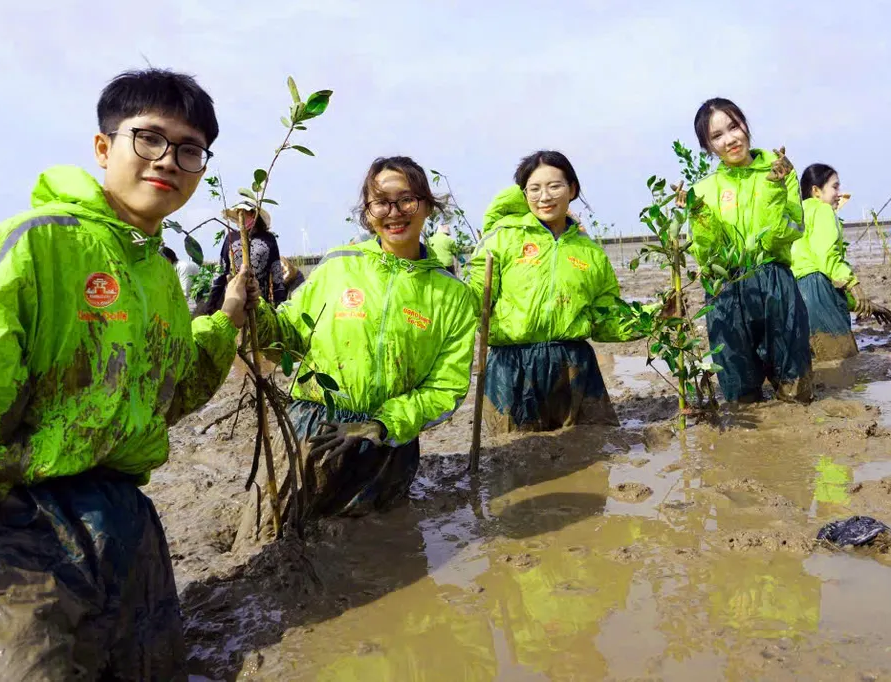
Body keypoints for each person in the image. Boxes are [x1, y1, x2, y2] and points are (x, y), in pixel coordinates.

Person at [0, 68, 258, 679]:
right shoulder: (36, 244)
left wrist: (225, 322)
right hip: (15, 523)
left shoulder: (159, 275)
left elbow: (167, 392)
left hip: (123, 520)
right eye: (148, 138)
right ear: (103, 147)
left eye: (189, 150)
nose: (167, 161)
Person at [244, 156, 476, 532]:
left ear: (427, 206)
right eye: (381, 202)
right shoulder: (338, 266)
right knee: (275, 531)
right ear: (367, 212)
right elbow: (288, 337)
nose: (394, 212)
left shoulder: (452, 295)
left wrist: (381, 425)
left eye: (406, 200)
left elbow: (445, 387)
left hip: (386, 446)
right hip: (315, 429)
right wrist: (254, 313)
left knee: (377, 543)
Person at [466, 150, 640, 434]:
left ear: (572, 189)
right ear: (523, 194)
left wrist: (653, 318)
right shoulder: (502, 239)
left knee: (589, 447)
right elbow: (474, 300)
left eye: (554, 186)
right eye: (534, 189)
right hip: (512, 367)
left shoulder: (591, 253)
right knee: (515, 453)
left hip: (573, 365)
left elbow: (606, 319)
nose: (544, 197)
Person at [683, 98, 812, 404]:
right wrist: (700, 214)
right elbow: (708, 257)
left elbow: (784, 236)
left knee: (795, 387)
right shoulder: (702, 190)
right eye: (717, 136)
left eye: (734, 126)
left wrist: (773, 188)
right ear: (708, 146)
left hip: (774, 283)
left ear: (745, 124)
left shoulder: (780, 170)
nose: (730, 139)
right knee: (741, 397)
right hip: (725, 290)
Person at [791, 164, 871, 360]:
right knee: (844, 360)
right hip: (816, 290)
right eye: (835, 187)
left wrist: (861, 304)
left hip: (795, 294)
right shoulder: (823, 210)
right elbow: (827, 256)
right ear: (816, 191)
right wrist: (853, 284)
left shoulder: (797, 213)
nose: (839, 193)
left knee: (817, 365)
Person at [195, 203, 286, 315]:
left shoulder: (268, 239)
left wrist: (280, 306)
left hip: (259, 302)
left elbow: (277, 275)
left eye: (243, 213)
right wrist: (210, 304)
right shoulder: (231, 237)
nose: (240, 218)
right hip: (233, 302)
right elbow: (221, 271)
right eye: (238, 214)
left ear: (253, 214)